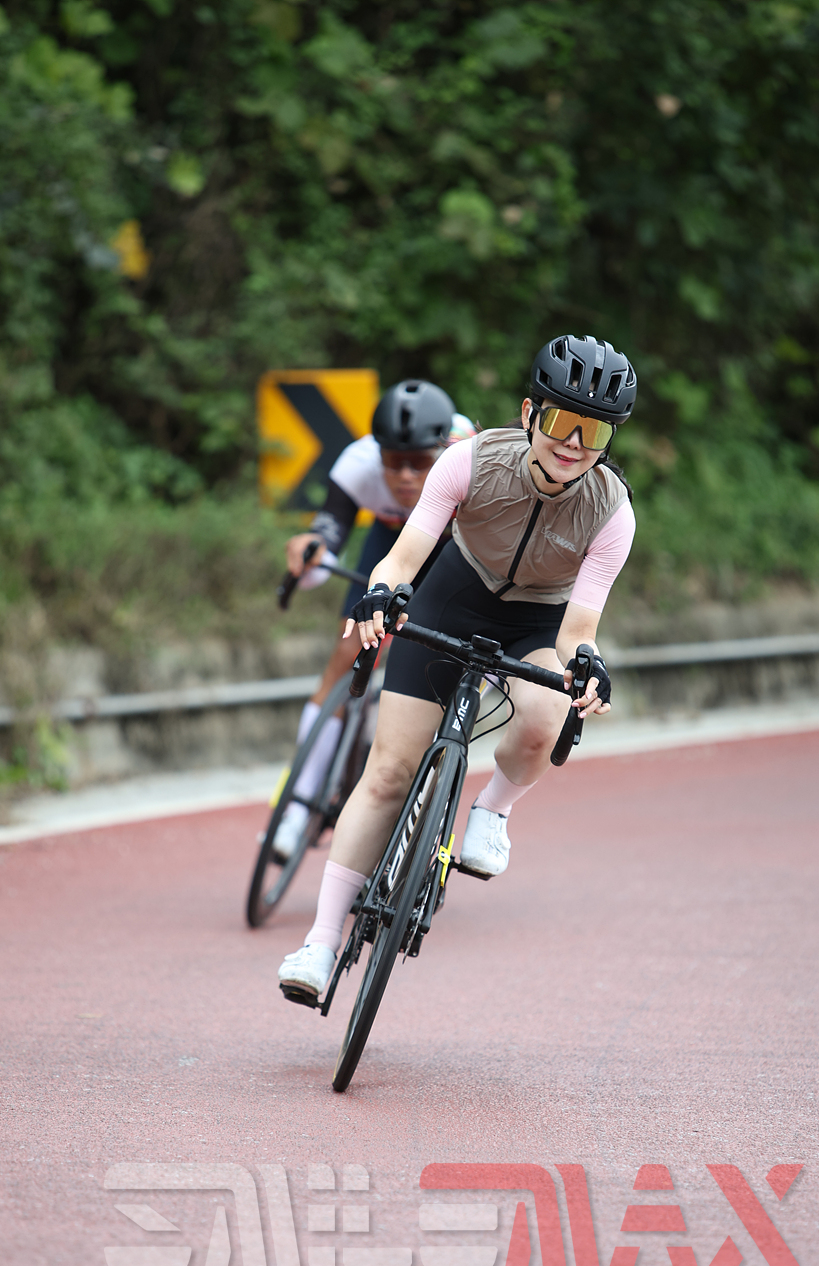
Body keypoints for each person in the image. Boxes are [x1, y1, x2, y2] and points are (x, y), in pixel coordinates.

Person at [278, 335, 638, 1001]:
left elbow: (578, 631)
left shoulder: (611, 512)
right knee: (388, 772)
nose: (573, 444)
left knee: (546, 715)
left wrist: (587, 665)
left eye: (593, 433)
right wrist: (382, 593)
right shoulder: (470, 461)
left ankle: (492, 811)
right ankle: (320, 944)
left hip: (538, 622)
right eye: (563, 422)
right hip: (452, 595)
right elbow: (404, 556)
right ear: (530, 413)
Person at [271, 381, 475, 857]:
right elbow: (330, 533)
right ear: (376, 452)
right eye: (393, 462)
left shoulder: (469, 458)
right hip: (389, 540)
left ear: (443, 450)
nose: (404, 476)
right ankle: (297, 808)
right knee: (347, 653)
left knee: (439, 664)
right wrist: (310, 553)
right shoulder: (357, 463)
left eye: (419, 463)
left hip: (452, 546)